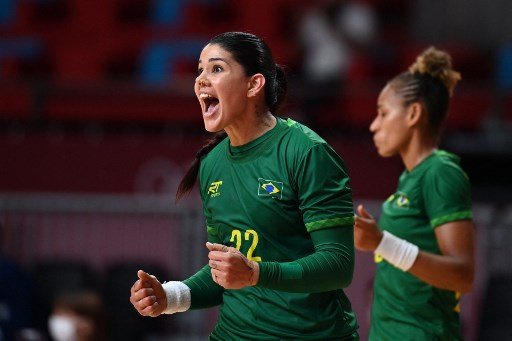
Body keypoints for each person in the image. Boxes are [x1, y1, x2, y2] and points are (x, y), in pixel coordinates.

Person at [130, 31, 359, 340]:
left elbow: (338, 265)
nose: (200, 79)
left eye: (216, 68)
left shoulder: (307, 152)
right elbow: (225, 273)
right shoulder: (212, 163)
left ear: (254, 85)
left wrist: (256, 273)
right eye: (200, 69)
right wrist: (171, 297)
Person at [354, 46, 475, 340]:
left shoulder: (440, 172)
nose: (374, 125)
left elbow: (463, 274)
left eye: (383, 113)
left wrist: (382, 242)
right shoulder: (410, 178)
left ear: (413, 113)